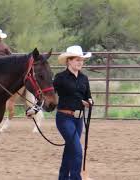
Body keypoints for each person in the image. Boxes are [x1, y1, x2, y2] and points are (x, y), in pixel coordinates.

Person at [53, 45, 93, 180]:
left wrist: (89, 102)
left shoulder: (84, 78)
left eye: (82, 60)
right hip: (64, 118)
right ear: (68, 61)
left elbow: (88, 97)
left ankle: (63, 177)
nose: (80, 62)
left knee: (70, 150)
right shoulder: (59, 78)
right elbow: (48, 95)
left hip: (79, 119)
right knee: (77, 150)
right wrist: (36, 108)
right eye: (77, 60)